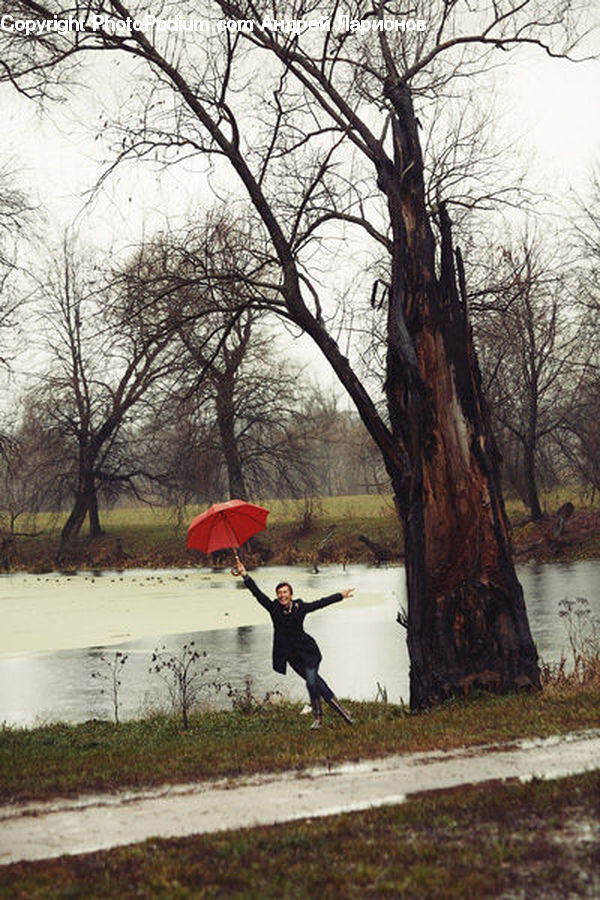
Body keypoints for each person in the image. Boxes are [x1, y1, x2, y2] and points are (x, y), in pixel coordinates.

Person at [233, 555, 355, 729]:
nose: (282, 595)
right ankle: (344, 713)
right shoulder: (274, 609)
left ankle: (319, 719)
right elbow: (258, 594)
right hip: (292, 657)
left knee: (311, 681)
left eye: (285, 592)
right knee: (316, 682)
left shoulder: (300, 607)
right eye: (279, 593)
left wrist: (340, 596)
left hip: (308, 651)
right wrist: (245, 575)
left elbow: (320, 603)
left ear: (291, 594)